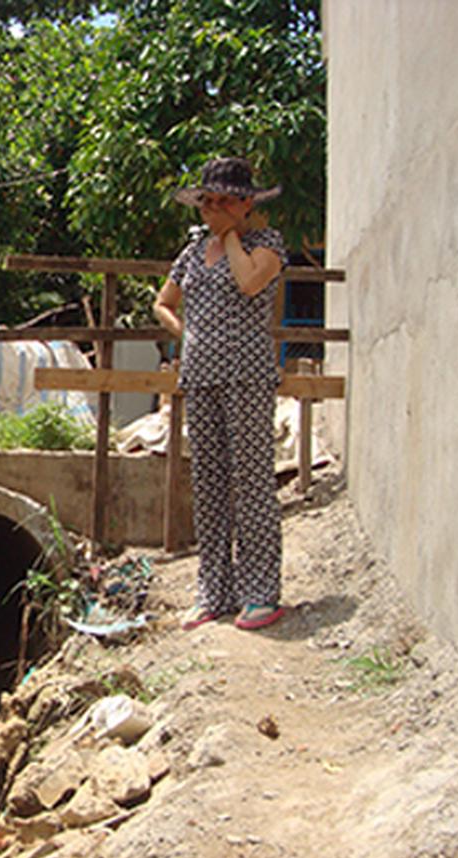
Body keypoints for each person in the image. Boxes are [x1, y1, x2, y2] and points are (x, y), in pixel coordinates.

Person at [152, 157, 287, 631]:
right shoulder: (192, 252)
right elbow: (163, 302)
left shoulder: (266, 245)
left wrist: (230, 237)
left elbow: (249, 283)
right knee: (208, 485)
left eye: (223, 201)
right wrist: (186, 333)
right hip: (201, 376)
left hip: (246, 375)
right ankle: (214, 591)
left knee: (251, 482)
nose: (211, 209)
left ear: (246, 204)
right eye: (207, 202)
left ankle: (260, 593)